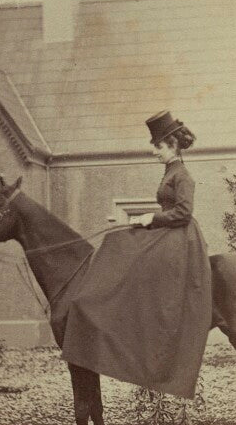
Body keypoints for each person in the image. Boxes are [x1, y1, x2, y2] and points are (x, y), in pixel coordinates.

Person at [61, 110, 212, 399]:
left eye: (158, 146)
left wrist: (150, 218)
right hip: (169, 233)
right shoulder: (170, 171)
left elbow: (183, 212)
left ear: (172, 145)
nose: (154, 151)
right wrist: (146, 219)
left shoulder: (182, 175)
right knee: (117, 239)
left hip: (181, 239)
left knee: (125, 247)